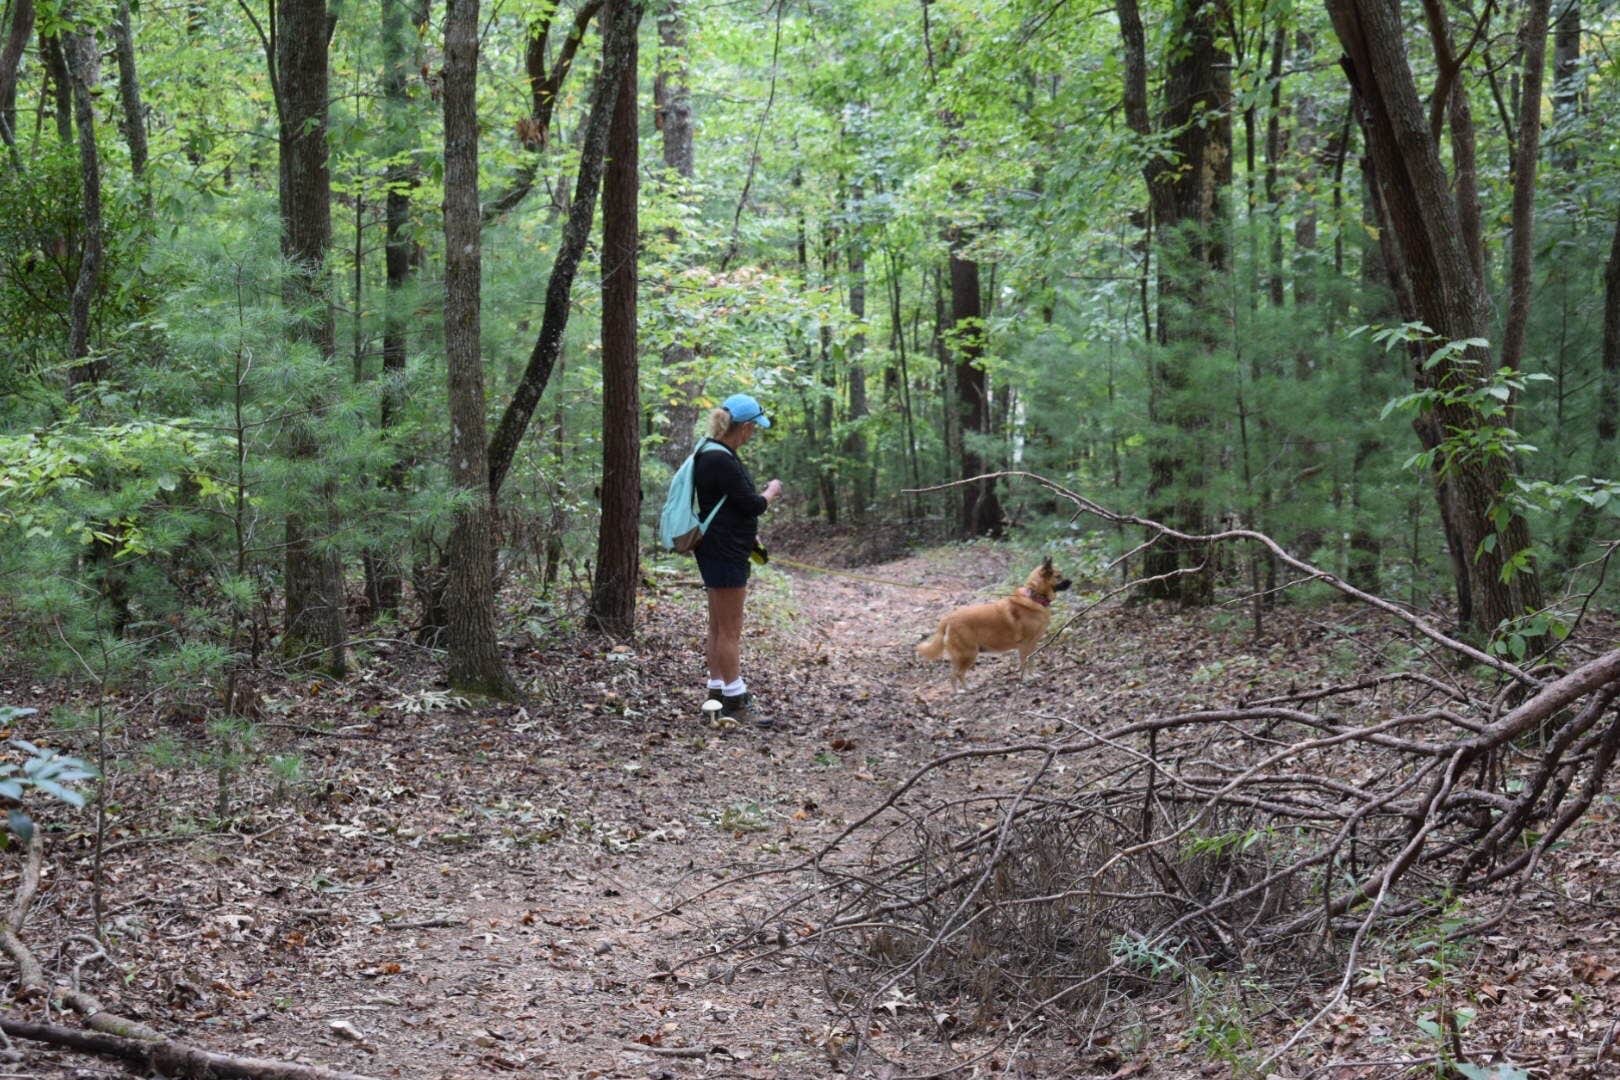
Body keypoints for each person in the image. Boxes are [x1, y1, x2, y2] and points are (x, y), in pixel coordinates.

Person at [692, 393, 783, 723]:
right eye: (753, 429)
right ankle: (737, 702)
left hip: (717, 547)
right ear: (743, 427)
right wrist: (771, 491)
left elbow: (728, 506)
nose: (753, 434)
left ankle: (715, 698)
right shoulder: (722, 459)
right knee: (730, 630)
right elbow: (751, 504)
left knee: (718, 627)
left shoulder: (708, 452)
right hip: (725, 552)